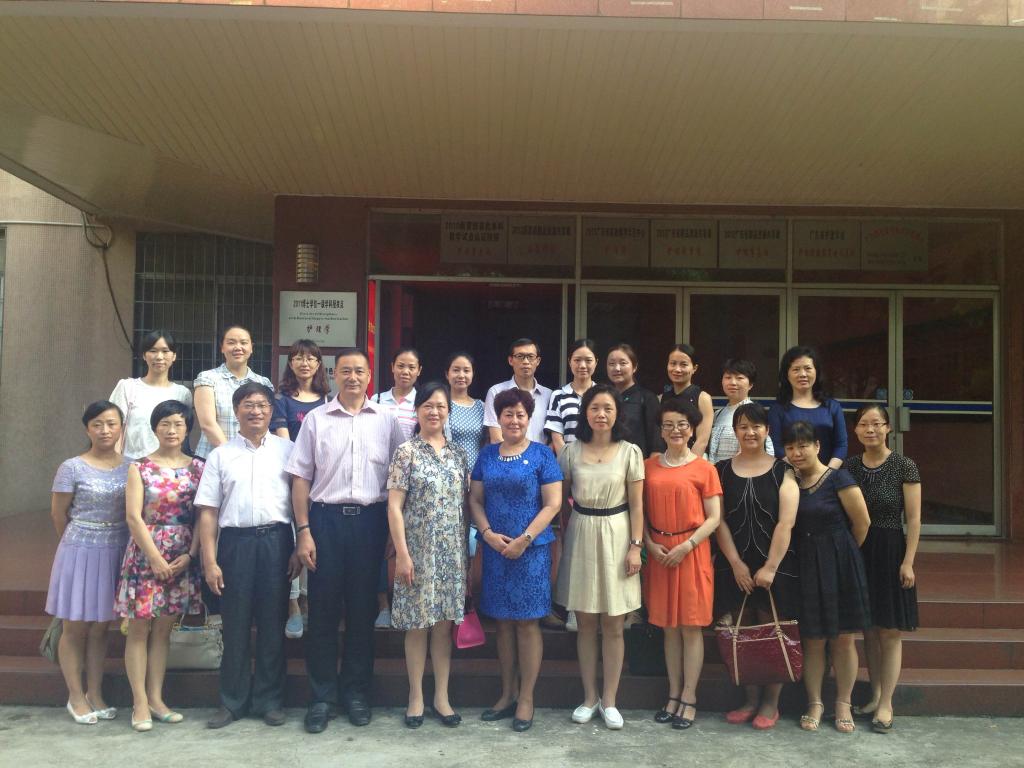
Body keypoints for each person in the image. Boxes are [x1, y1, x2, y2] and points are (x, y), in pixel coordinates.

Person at [287, 348, 405, 734]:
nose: (352, 377)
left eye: (359, 371)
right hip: (325, 522)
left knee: (361, 611)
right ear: (334, 375)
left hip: (371, 522)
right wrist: (304, 530)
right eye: (345, 371)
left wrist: (393, 532)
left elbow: (398, 480)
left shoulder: (387, 421)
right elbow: (301, 478)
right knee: (322, 611)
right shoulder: (316, 419)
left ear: (370, 376)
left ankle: (356, 693)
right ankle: (321, 697)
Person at [196, 382, 298, 729]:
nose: (256, 411)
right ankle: (232, 702)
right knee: (235, 624)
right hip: (235, 545)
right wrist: (210, 560)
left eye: (263, 405)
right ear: (236, 410)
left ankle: (269, 700)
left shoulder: (288, 450)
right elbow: (208, 511)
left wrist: (297, 545)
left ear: (271, 410)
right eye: (248, 405)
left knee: (272, 623)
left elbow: (299, 502)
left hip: (276, 542)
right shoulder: (220, 455)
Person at [469, 389, 562, 732]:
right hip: (496, 550)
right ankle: (506, 693)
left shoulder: (542, 455)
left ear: (529, 418)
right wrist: (488, 534)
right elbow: (475, 500)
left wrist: (524, 539)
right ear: (499, 418)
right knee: (503, 623)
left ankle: (526, 697)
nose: (514, 420)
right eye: (507, 414)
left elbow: (553, 503)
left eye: (520, 414)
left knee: (526, 623)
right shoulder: (486, 455)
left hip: (531, 551)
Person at [554, 385, 643, 730]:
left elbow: (637, 505)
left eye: (608, 408)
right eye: (594, 408)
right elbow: (560, 502)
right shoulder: (571, 451)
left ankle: (610, 699)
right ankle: (589, 697)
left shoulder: (630, 452)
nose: (601, 414)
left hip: (618, 534)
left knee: (614, 624)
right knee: (586, 623)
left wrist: (636, 546)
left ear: (617, 413)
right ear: (585, 413)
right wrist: (563, 538)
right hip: (581, 532)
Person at [115, 400, 203, 732]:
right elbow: (133, 516)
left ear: (187, 428)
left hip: (182, 554)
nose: (171, 430)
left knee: (164, 630)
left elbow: (203, 515)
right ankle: (139, 702)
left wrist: (191, 555)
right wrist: (154, 557)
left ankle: (156, 699)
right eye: (164, 423)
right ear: (154, 428)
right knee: (139, 628)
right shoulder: (140, 467)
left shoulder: (198, 468)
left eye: (178, 424)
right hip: (145, 553)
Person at [387, 382, 469, 728]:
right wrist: (402, 555)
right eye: (428, 406)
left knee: (443, 627)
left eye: (441, 406)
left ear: (448, 411)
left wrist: (466, 558)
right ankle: (416, 697)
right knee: (417, 625)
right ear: (417, 410)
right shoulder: (406, 452)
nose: (434, 412)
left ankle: (442, 697)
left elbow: (464, 506)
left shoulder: (458, 454)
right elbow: (394, 506)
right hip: (417, 553)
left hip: (451, 554)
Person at [713, 403, 799, 731]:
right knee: (742, 631)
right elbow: (718, 520)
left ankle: (770, 702)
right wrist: (735, 564)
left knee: (771, 629)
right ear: (734, 432)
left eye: (756, 426)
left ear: (767, 431)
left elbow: (786, 522)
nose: (750, 432)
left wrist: (771, 567)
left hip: (775, 566)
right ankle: (749, 699)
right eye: (743, 427)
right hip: (734, 565)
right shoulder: (721, 470)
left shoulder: (783, 470)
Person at [783, 421, 871, 734]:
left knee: (843, 638)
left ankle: (843, 702)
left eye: (803, 445)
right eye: (790, 447)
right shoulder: (789, 481)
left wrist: (841, 554)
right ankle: (815, 702)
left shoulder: (838, 478)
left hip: (840, 562)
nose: (797, 452)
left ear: (818, 446)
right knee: (813, 639)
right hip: (806, 564)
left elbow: (862, 523)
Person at [47, 401, 131, 726]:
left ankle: (95, 692)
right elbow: (58, 514)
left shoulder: (132, 467)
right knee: (75, 626)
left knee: (101, 627)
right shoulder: (72, 467)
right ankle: (75, 696)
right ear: (87, 429)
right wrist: (74, 547)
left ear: (121, 427)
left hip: (117, 548)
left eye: (111, 423)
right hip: (79, 549)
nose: (105, 430)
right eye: (97, 424)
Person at [643, 400, 722, 730]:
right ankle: (673, 693)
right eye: (668, 425)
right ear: (660, 431)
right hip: (659, 552)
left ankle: (689, 697)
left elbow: (714, 518)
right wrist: (648, 543)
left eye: (682, 425)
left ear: (692, 430)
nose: (675, 430)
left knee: (691, 627)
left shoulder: (704, 468)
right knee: (669, 629)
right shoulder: (648, 466)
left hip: (692, 552)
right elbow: (639, 512)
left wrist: (687, 546)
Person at [844, 405, 922, 734]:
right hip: (859, 549)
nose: (870, 430)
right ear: (856, 430)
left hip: (891, 550)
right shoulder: (850, 467)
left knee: (889, 630)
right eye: (864, 424)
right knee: (869, 629)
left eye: (877, 424)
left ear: (888, 427)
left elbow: (914, 519)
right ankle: (875, 694)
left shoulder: (904, 465)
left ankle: (887, 703)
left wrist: (908, 561)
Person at [271, 339, 330, 640]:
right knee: (295, 537)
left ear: (319, 364)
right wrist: (305, 471)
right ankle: (293, 604)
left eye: (310, 358)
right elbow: (285, 443)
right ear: (290, 363)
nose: (304, 363)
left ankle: (307, 599)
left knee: (314, 536)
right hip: (292, 477)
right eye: (298, 358)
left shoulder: (327, 401)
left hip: (322, 481)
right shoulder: (281, 399)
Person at [371, 347, 423, 628]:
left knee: (410, 540)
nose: (405, 371)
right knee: (382, 542)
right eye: (401, 365)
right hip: (382, 481)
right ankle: (382, 603)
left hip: (416, 483)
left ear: (419, 371)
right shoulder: (377, 400)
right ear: (392, 367)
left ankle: (412, 598)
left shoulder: (424, 401)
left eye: (411, 366)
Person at [193, 324, 273, 460]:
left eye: (244, 343)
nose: (238, 347)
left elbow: (266, 425)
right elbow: (208, 424)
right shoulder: (208, 379)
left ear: (251, 348)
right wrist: (233, 456)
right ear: (222, 348)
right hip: (212, 458)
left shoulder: (263, 383)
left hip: (253, 460)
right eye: (231, 343)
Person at [109, 330, 193, 460]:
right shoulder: (128, 387)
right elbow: (115, 429)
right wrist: (116, 464)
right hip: (132, 464)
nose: (159, 357)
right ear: (144, 355)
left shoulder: (182, 393)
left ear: (174, 356)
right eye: (153, 351)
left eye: (165, 351)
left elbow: (183, 433)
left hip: (169, 467)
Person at [443, 352, 486, 590]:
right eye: (456, 370)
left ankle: (468, 591)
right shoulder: (440, 404)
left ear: (473, 374)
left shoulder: (481, 406)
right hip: (447, 480)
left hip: (476, 481)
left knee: (472, 534)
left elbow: (486, 443)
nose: (461, 375)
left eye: (466, 370)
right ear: (447, 374)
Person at [768, 346, 848, 469]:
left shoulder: (832, 407)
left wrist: (826, 474)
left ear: (816, 372)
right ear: (787, 374)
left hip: (829, 474)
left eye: (808, 368)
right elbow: (776, 446)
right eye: (796, 369)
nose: (803, 374)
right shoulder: (778, 409)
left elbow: (841, 445)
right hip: (790, 475)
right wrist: (797, 472)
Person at [483, 338, 552, 444]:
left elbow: (553, 436)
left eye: (530, 357)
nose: (526, 361)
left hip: (541, 454)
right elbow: (496, 438)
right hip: (506, 454)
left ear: (538, 361)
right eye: (520, 356)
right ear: (510, 360)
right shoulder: (496, 392)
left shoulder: (549, 395)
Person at [706, 359, 774, 464]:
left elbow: (766, 449)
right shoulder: (718, 414)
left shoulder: (755, 413)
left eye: (739, 378)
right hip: (717, 471)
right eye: (728, 377)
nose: (733, 382)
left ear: (750, 384)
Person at [605, 343, 660, 457]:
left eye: (623, 363)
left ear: (634, 367)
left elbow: (656, 442)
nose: (617, 368)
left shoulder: (647, 398)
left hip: (637, 463)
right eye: (611, 364)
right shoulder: (604, 398)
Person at [545, 339, 598, 455]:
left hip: (599, 461)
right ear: (569, 362)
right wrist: (567, 461)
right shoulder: (558, 395)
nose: (582, 365)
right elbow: (556, 437)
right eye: (577, 360)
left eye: (588, 360)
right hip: (567, 462)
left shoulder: (603, 394)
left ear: (596, 362)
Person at [660, 344, 715, 457]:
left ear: (694, 368)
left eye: (683, 364)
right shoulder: (661, 398)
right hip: (666, 460)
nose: (677, 369)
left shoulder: (702, 398)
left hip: (694, 460)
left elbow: (702, 441)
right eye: (673, 363)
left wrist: (687, 464)